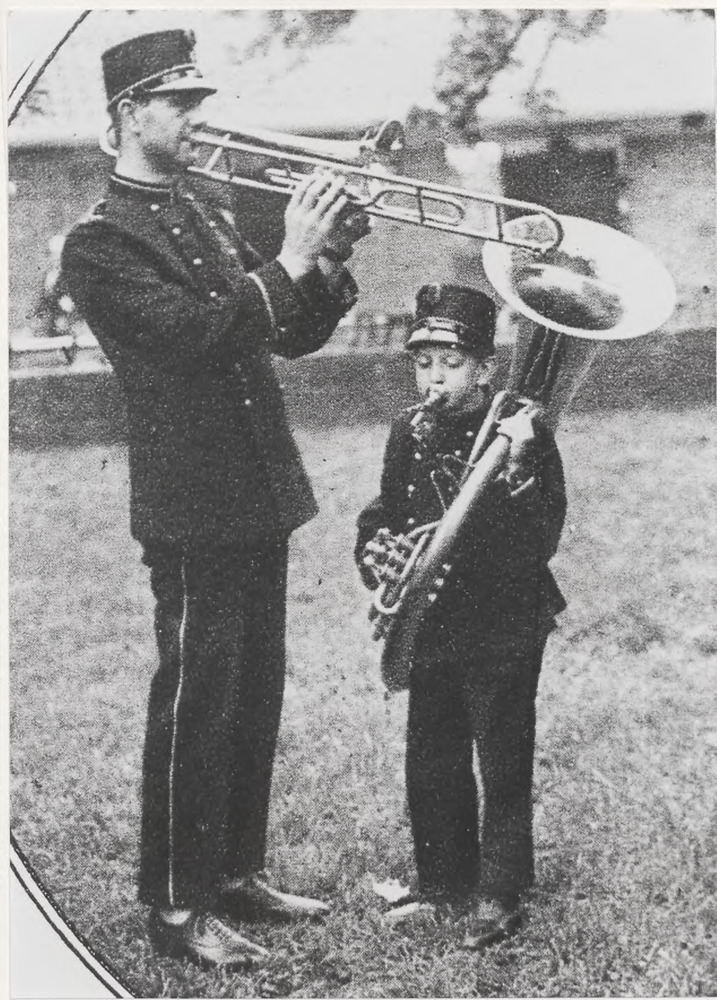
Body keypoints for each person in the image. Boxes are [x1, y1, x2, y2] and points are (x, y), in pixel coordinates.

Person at [61, 29, 365, 969]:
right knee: (196, 697)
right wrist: (289, 256)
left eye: (201, 101)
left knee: (251, 689)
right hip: (192, 501)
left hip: (259, 486)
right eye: (180, 103)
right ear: (129, 115)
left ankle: (234, 873)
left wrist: (324, 260)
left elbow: (287, 335)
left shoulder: (202, 209)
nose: (200, 118)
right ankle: (174, 903)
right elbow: (196, 339)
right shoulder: (100, 241)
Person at [355, 284, 567, 948]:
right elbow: (386, 513)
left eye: (451, 362)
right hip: (434, 618)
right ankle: (443, 881)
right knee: (432, 752)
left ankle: (500, 891)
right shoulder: (408, 429)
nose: (435, 377)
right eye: (423, 363)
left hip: (504, 619)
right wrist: (376, 553)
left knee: (501, 754)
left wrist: (521, 457)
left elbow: (542, 534)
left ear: (484, 367)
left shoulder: (522, 430)